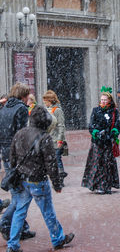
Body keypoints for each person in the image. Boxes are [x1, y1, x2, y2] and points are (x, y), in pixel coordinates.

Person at [6, 105, 74, 252]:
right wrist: (57, 183)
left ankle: (12, 245)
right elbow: (51, 163)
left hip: (22, 179)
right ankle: (58, 238)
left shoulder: (20, 133)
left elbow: (12, 156)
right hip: (38, 180)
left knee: (19, 211)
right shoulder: (44, 137)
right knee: (47, 211)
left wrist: (14, 173)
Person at [0, 82, 35, 241]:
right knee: (21, 195)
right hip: (16, 155)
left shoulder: (5, 108)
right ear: (23, 95)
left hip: (6, 154)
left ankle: (21, 227)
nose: (29, 98)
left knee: (17, 192)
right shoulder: (21, 108)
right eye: (27, 95)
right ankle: (6, 223)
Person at [81, 87, 120, 194]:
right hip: (97, 142)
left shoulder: (114, 111)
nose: (103, 101)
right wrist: (96, 133)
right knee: (97, 163)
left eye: (105, 100)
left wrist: (113, 133)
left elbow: (117, 125)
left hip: (108, 141)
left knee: (107, 164)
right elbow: (91, 126)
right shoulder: (95, 110)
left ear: (109, 100)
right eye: (101, 99)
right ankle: (97, 185)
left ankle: (106, 186)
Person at [42, 90, 67, 186]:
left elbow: (61, 125)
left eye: (46, 101)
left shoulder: (57, 110)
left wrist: (60, 139)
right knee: (51, 160)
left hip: (56, 139)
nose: (45, 103)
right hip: (49, 139)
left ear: (50, 100)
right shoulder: (46, 109)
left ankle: (60, 178)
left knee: (57, 159)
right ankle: (56, 177)